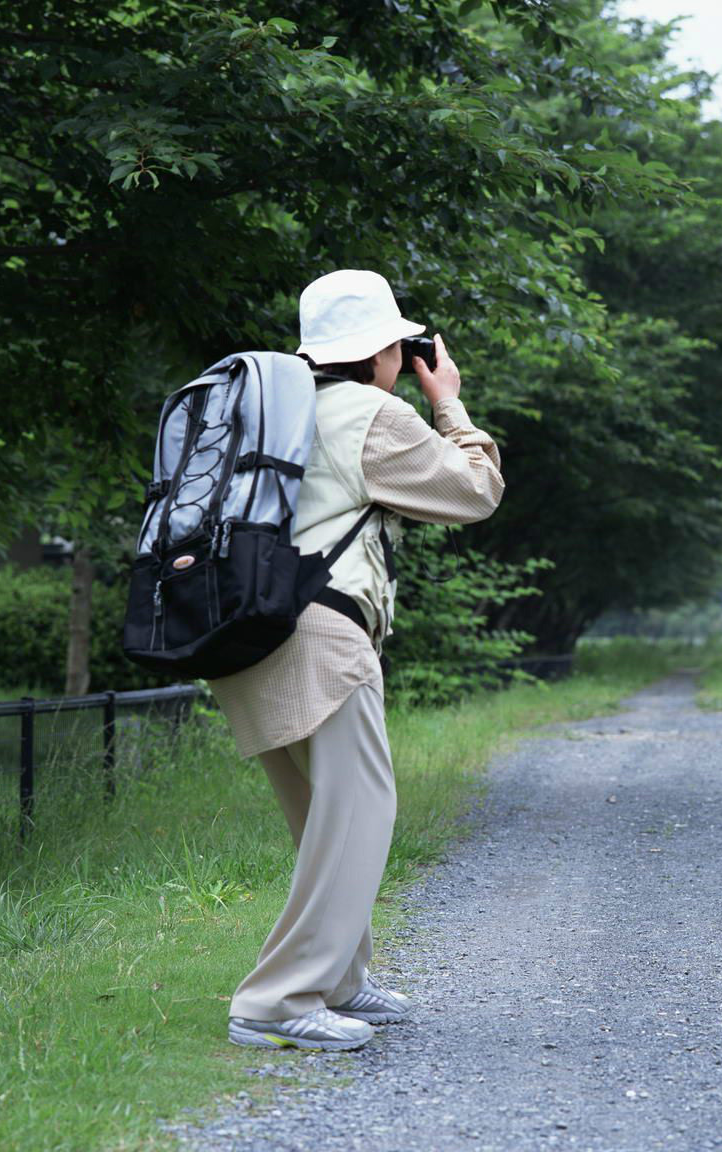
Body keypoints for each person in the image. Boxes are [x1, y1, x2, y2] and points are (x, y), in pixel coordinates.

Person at [208, 269, 505, 1050]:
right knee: (362, 813)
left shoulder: (268, 409)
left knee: (320, 820)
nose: (403, 361)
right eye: (401, 348)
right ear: (382, 349)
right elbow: (475, 491)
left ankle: (337, 978)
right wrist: (448, 401)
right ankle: (278, 1000)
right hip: (322, 635)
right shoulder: (375, 413)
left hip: (243, 632)